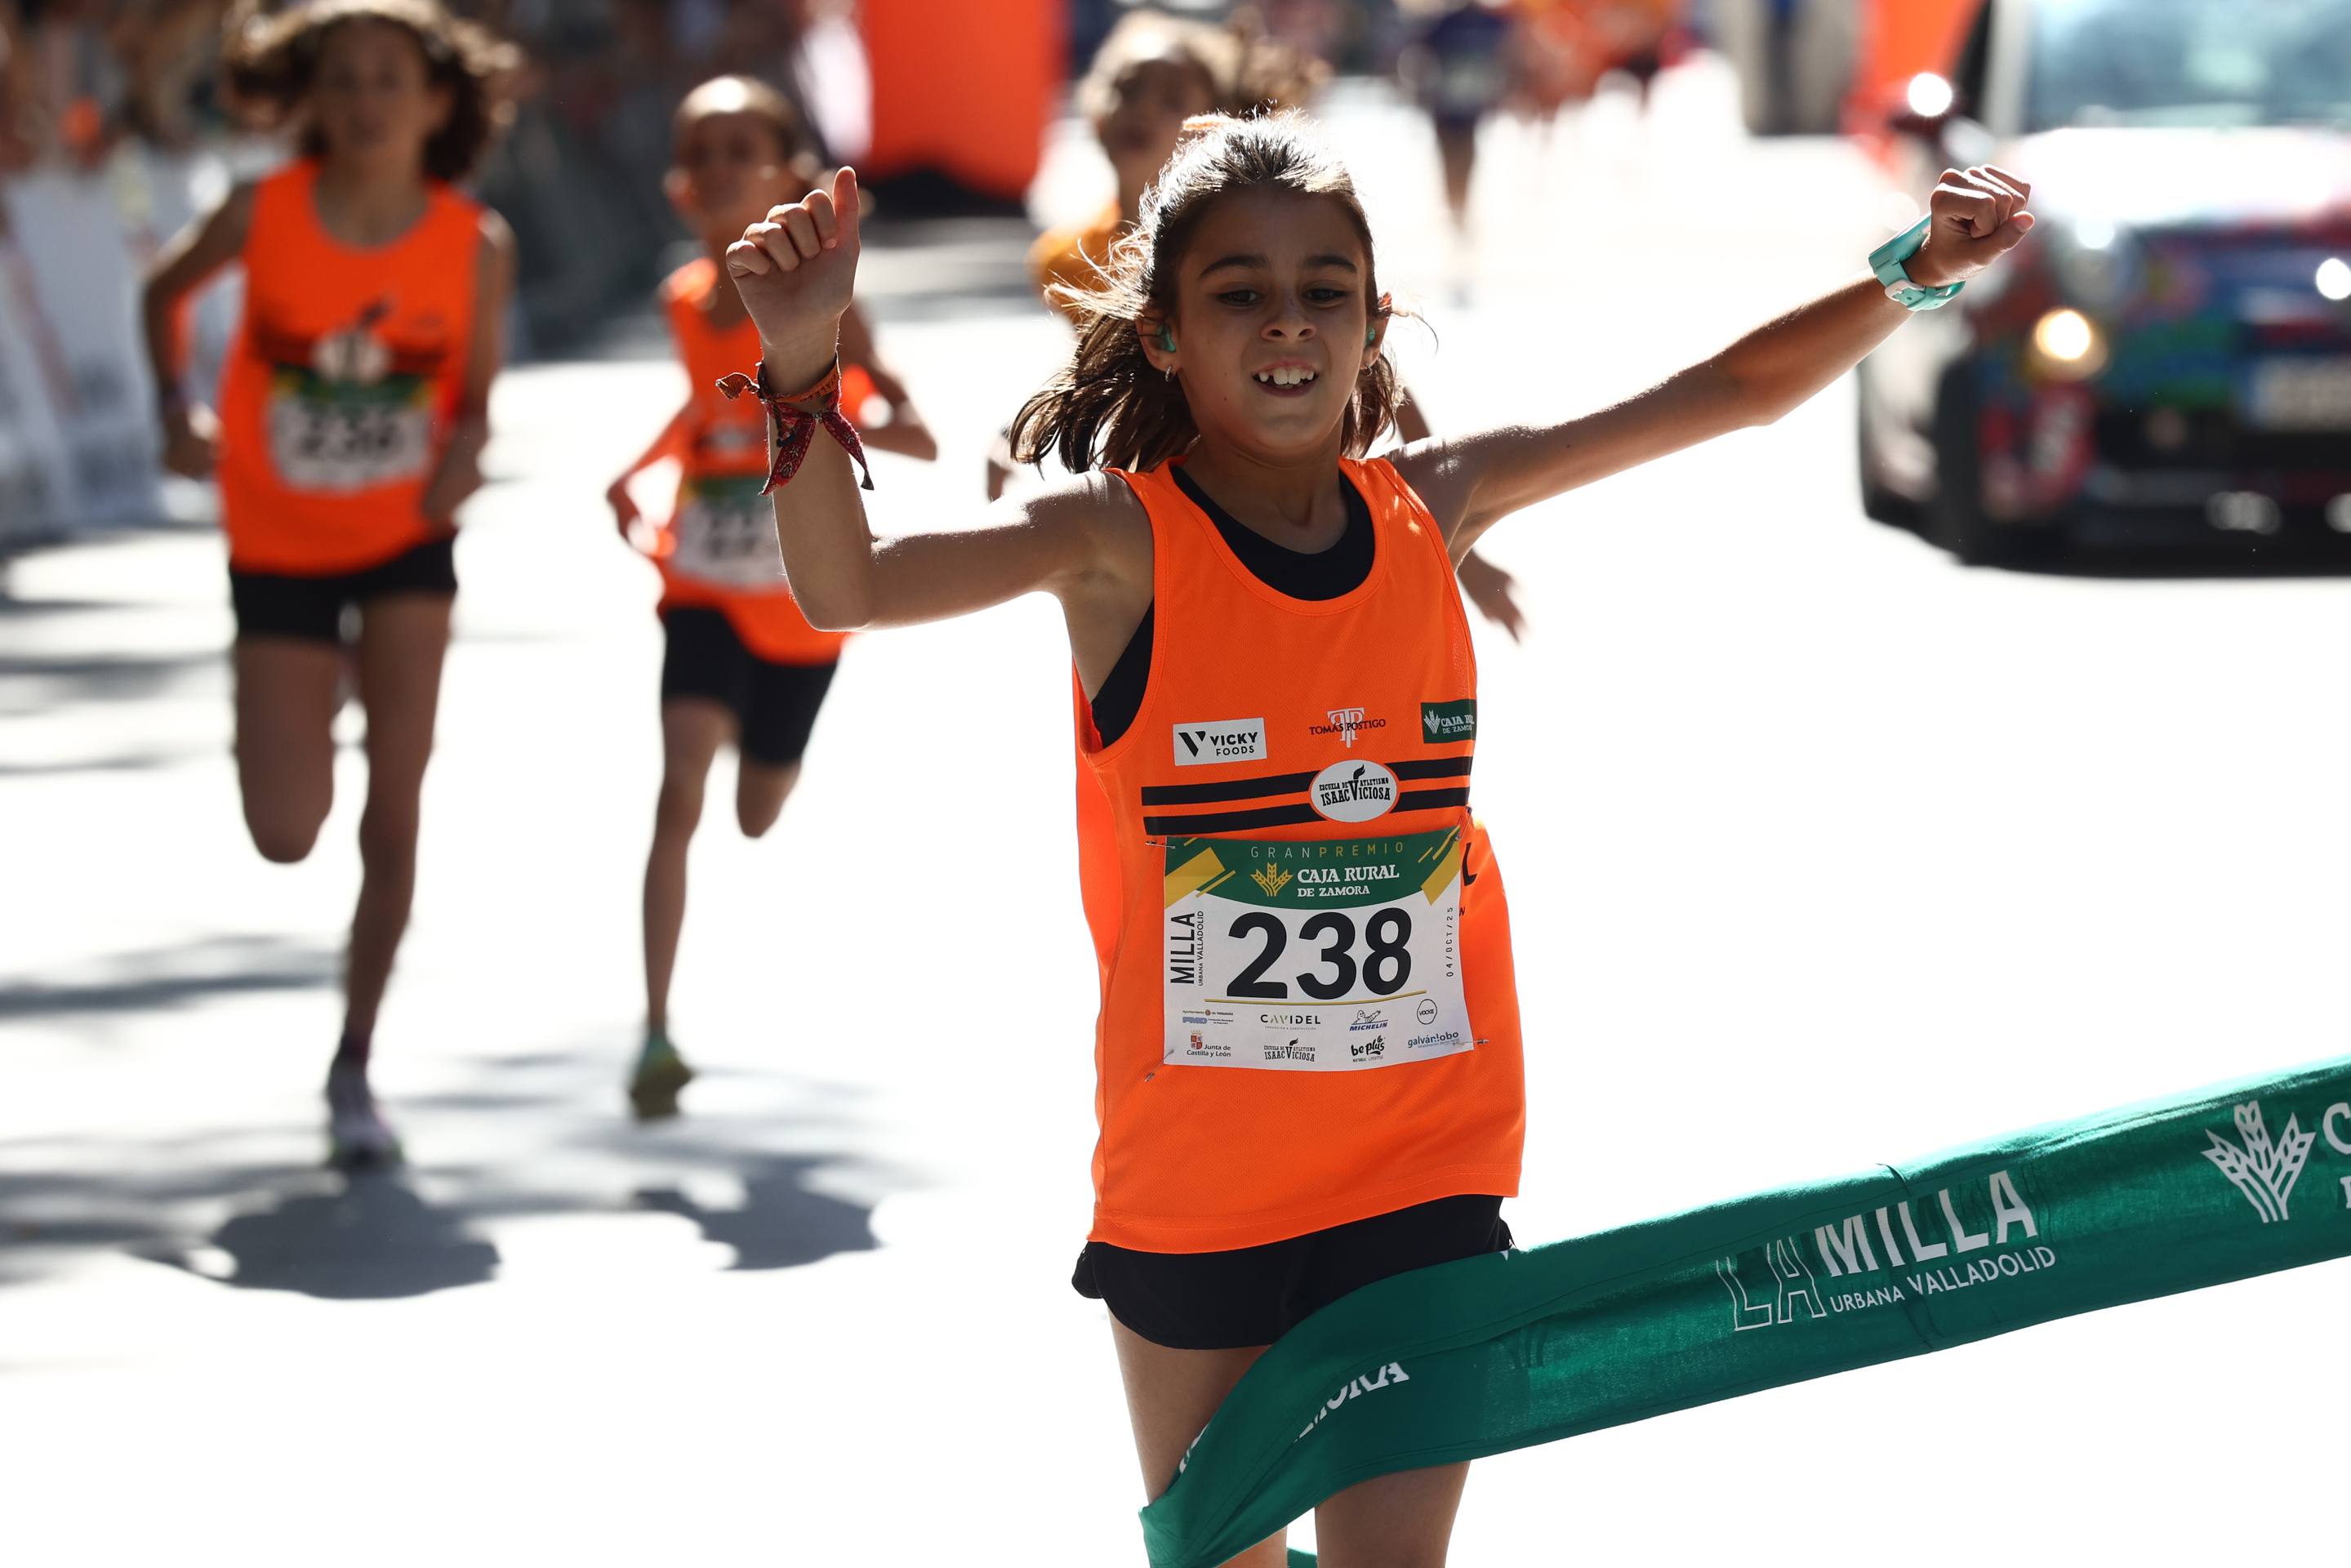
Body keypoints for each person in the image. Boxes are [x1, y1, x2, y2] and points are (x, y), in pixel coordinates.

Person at [727, 115, 2032, 1564]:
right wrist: (797, 360)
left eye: (1322, 290)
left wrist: (1913, 271)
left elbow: (1728, 392)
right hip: (1196, 1188)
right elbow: (844, 590)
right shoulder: (1111, 542)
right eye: (1236, 293)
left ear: (1370, 322)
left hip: (1420, 1166)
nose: (1285, 323)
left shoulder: (1436, 502)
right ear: (1161, 335)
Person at [139, 0, 518, 1167]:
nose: (362, 101)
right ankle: (307, 687)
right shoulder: (264, 211)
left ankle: (355, 1059)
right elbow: (163, 296)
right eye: (341, 79)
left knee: (392, 804)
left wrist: (462, 455)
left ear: (438, 103)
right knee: (286, 832)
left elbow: (475, 406)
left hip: (405, 545)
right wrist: (177, 409)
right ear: (308, 96)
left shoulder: (473, 244)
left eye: (387, 80)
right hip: (279, 541)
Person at [603, 74, 934, 1120]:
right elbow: (704, 407)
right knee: (677, 793)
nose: (714, 170)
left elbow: (913, 431)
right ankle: (654, 1028)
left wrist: (813, 413)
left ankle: (767, 740)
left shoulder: (834, 307)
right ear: (674, 187)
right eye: (697, 152)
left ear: (789, 174)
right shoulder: (683, 299)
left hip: (800, 601)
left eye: (738, 147)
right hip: (700, 576)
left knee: (754, 811)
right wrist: (639, 466)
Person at [1015, 8, 1527, 639]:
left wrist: (1453, 539)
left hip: (1284, 517)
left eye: (1171, 96)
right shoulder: (1070, 259)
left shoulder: (1273, 233)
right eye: (1125, 90)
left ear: (1207, 118)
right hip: (1166, 524)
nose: (1141, 110)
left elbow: (1384, 391)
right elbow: (1096, 376)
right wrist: (1015, 435)